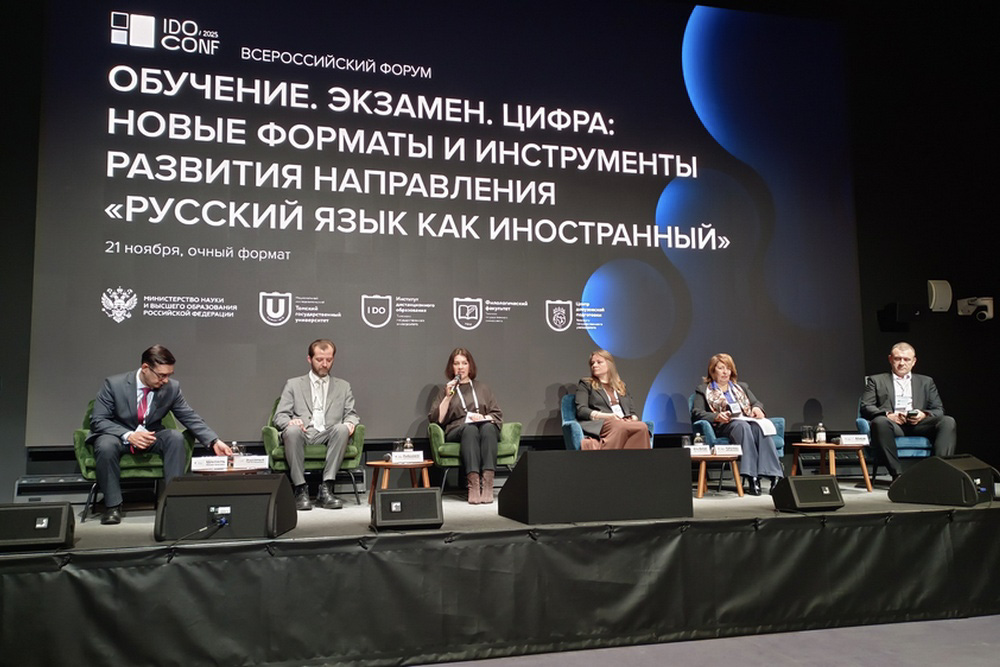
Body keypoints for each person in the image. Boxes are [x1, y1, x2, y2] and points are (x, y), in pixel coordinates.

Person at [88, 345, 232, 525]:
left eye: (169, 375)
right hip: (119, 437)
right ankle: (113, 506)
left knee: (175, 437)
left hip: (152, 436)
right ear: (145, 368)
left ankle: (173, 501)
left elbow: (188, 416)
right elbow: (98, 420)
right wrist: (128, 435)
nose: (165, 380)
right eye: (161, 375)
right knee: (105, 445)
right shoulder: (114, 385)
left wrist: (214, 441)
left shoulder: (171, 388)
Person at [273, 339, 360, 511]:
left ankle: (326, 488)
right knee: (292, 431)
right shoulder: (293, 384)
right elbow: (279, 415)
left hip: (328, 433)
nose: (324, 364)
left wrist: (350, 423)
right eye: (319, 359)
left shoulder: (343, 386)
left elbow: (351, 413)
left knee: (342, 428)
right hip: (303, 432)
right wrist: (290, 421)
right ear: (309, 359)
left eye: (329, 360)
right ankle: (300, 489)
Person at [860, 341, 957, 479]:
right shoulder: (876, 380)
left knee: (948, 421)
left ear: (914, 361)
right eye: (897, 359)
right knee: (879, 422)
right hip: (893, 425)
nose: (902, 363)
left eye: (906, 359)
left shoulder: (926, 382)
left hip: (919, 424)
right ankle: (897, 474)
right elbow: (866, 406)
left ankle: (938, 473)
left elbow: (938, 409)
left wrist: (923, 414)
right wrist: (888, 415)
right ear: (890, 359)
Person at [691, 353, 783, 495]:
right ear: (712, 371)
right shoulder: (703, 390)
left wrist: (757, 408)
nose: (725, 372)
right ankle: (752, 477)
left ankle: (774, 475)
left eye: (728, 368)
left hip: (746, 422)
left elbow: (756, 402)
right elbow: (697, 412)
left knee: (759, 428)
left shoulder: (740, 387)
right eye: (721, 368)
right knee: (742, 426)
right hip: (725, 425)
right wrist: (716, 416)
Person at [429, 348, 503, 504]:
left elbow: (497, 414)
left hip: (483, 427)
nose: (460, 367)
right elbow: (437, 419)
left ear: (470, 366)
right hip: (458, 429)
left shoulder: (483, 388)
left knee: (488, 428)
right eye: (456, 364)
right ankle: (473, 486)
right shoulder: (446, 390)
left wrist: (483, 417)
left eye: (464, 363)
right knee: (470, 429)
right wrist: (448, 397)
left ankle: (488, 484)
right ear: (451, 367)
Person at [574, 349, 650, 450]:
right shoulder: (586, 384)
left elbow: (631, 411)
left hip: (623, 421)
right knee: (619, 426)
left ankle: (637, 459)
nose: (594, 365)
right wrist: (608, 416)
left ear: (609, 364)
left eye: (599, 362)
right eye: (592, 363)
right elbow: (581, 410)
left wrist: (633, 418)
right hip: (603, 422)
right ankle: (608, 457)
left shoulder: (621, 386)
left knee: (642, 427)